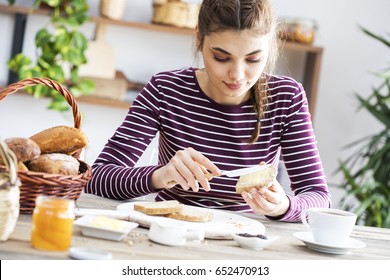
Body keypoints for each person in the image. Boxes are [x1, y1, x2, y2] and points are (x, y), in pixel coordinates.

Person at [85, 0, 331, 222]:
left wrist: (284, 206)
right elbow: (97, 178)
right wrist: (160, 176)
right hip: (171, 228)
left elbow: (319, 197)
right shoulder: (165, 89)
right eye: (221, 57)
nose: (237, 75)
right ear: (199, 40)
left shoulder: (287, 97)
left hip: (246, 238)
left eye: (253, 60)